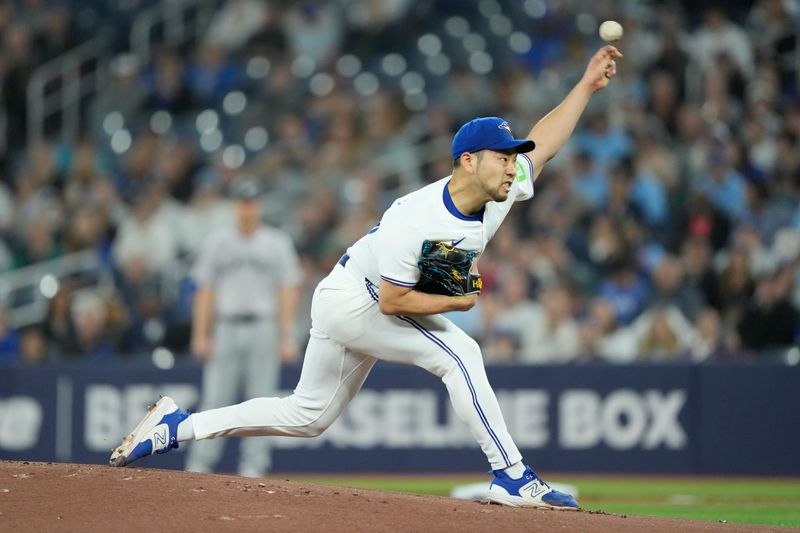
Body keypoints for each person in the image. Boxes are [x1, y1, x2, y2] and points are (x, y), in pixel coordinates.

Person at [110, 45, 623, 510]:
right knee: (462, 355)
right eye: (503, 157)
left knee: (308, 417)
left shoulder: (501, 189)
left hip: (356, 295)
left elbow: (546, 146)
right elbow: (395, 303)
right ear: (468, 161)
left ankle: (179, 427)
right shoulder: (416, 218)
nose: (514, 167)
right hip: (360, 298)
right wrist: (457, 303)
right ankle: (511, 475)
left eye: (513, 158)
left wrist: (584, 86)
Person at [184, 179, 301, 477]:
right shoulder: (217, 242)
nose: (247, 208)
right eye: (242, 202)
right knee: (215, 399)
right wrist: (200, 334)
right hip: (225, 327)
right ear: (234, 206)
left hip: (264, 326)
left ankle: (254, 466)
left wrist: (287, 335)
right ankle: (200, 463)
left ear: (259, 206)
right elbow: (205, 291)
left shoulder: (277, 242)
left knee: (262, 401)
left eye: (251, 202)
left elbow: (287, 290)